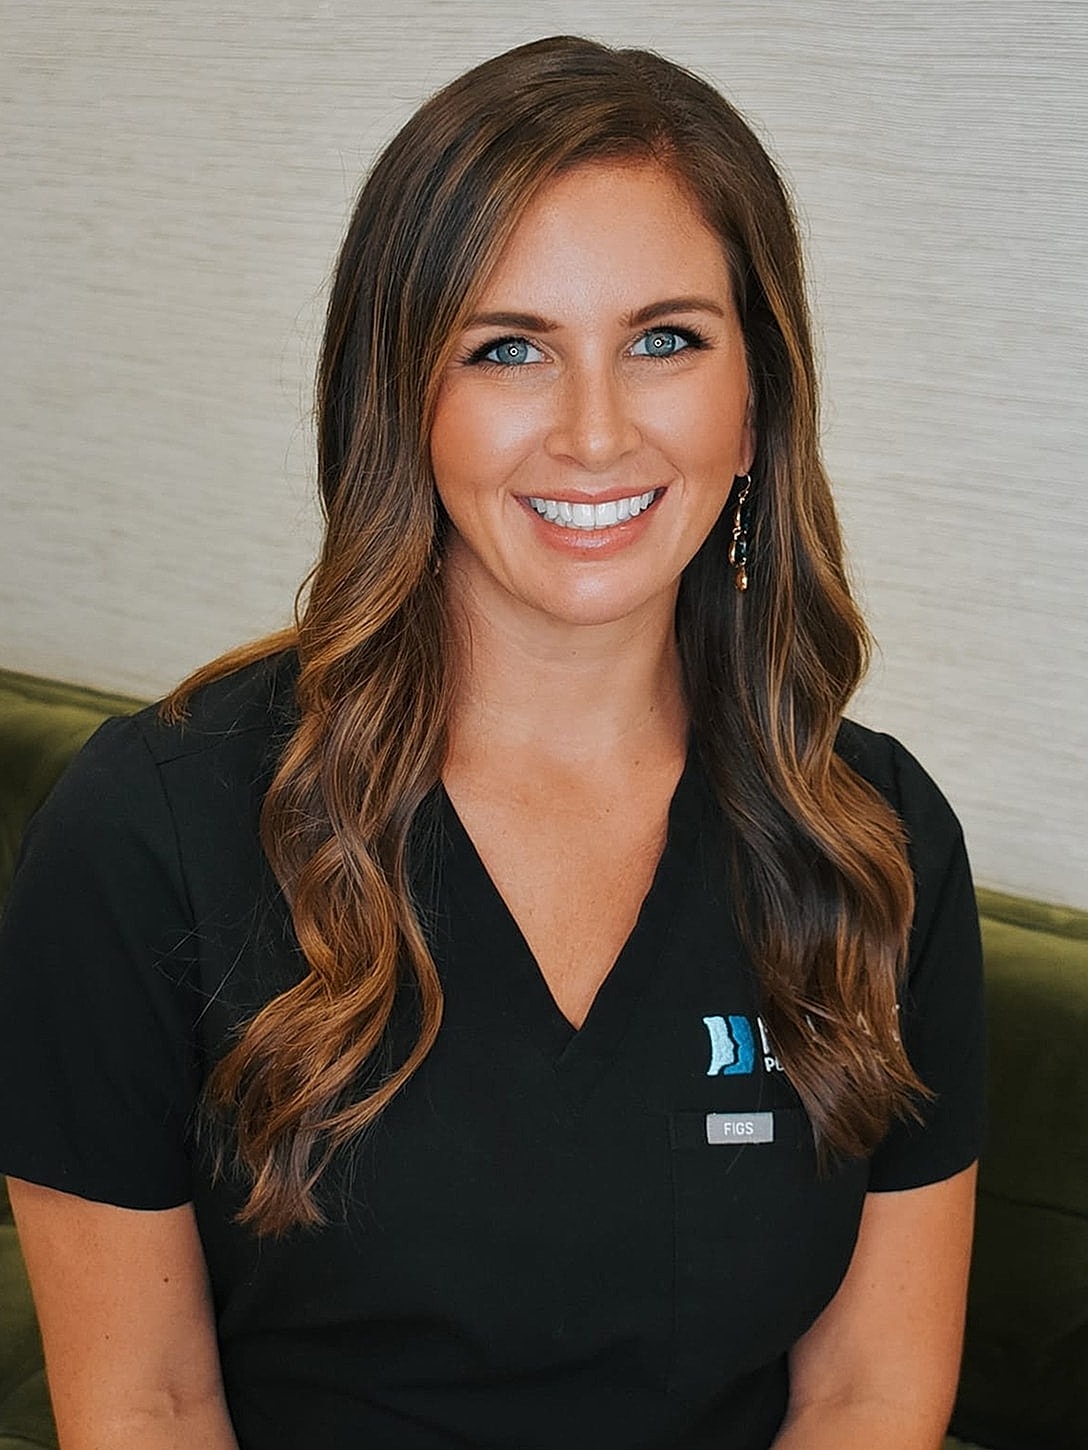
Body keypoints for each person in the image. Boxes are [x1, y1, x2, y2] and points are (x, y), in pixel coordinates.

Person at [0, 34, 985, 1450]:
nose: (593, 432)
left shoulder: (877, 841)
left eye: (665, 339)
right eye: (508, 347)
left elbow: (868, 1392)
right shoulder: (149, 831)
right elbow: (146, 1401)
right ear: (402, 392)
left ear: (756, 397)